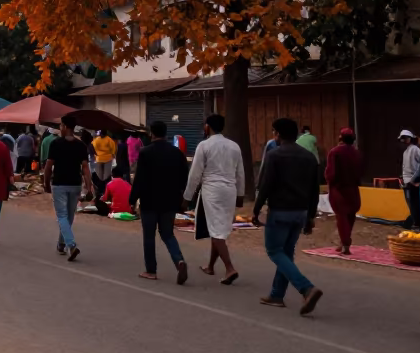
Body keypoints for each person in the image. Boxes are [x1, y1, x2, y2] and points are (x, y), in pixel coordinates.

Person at [253, 118, 323, 315]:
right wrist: (310, 216)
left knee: (274, 251)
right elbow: (314, 190)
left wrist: (256, 210)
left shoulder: (275, 155)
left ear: (278, 134)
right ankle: (276, 295)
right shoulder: (309, 157)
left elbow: (265, 186)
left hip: (280, 211)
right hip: (300, 212)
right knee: (286, 252)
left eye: (274, 132)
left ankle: (306, 288)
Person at [184, 114, 245, 285]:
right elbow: (240, 172)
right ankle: (210, 266)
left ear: (208, 127)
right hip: (230, 191)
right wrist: (240, 195)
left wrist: (187, 197)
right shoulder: (234, 146)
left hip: (212, 190)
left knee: (216, 230)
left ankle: (230, 268)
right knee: (218, 228)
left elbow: (195, 174)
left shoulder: (204, 145)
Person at [131, 121, 189, 283]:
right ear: (166, 133)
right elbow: (185, 179)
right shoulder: (177, 153)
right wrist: (184, 199)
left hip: (149, 201)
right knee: (168, 234)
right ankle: (179, 261)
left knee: (149, 236)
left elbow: (139, 179)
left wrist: (132, 199)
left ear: (152, 134)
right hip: (170, 201)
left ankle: (151, 270)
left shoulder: (145, 152)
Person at [44, 116, 90, 262]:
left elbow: (49, 165)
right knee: (69, 216)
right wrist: (88, 187)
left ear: (65, 127)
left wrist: (46, 182)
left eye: (61, 126)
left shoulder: (56, 143)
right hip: (75, 184)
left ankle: (71, 244)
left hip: (59, 184)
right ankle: (61, 244)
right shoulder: (81, 145)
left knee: (62, 216)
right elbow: (85, 168)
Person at [324, 128, 363, 255]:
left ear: (340, 138)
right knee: (351, 215)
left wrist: (330, 183)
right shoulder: (357, 153)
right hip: (353, 188)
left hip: (339, 189)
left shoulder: (335, 152)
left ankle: (345, 242)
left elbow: (331, 173)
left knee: (341, 217)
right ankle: (344, 241)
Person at [399, 129, 420, 230]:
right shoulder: (406, 151)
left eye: (406, 138)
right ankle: (415, 221)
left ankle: (418, 223)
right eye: (403, 138)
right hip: (407, 181)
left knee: (415, 203)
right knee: (411, 203)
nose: (404, 140)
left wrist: (416, 178)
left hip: (414, 181)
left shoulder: (415, 149)